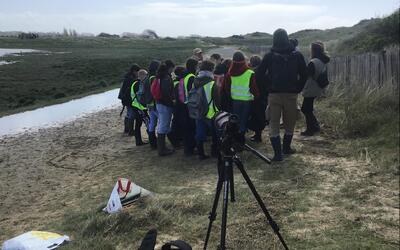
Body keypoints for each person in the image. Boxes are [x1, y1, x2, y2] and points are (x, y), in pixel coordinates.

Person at [256, 28, 307, 161]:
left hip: (274, 94)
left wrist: (267, 87)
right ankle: (286, 148)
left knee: (273, 124)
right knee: (290, 123)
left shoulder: (269, 56)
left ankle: (278, 154)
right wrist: (298, 88)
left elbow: (259, 74)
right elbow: (304, 74)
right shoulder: (297, 55)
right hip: (291, 94)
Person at [222, 51, 259, 142]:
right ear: (243, 60)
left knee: (235, 120)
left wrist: (230, 96)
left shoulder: (229, 73)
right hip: (247, 100)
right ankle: (241, 139)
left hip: (235, 100)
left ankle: (235, 138)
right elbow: (253, 88)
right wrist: (257, 96)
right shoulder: (250, 72)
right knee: (244, 119)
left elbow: (227, 88)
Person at [301, 41, 330, 136]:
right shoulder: (322, 61)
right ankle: (315, 127)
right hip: (317, 87)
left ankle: (311, 129)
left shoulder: (313, 62)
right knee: (307, 108)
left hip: (311, 88)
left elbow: (307, 75)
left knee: (306, 108)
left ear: (313, 50)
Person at [193, 60, 220, 160]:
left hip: (198, 111)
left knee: (199, 132)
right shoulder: (212, 83)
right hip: (211, 112)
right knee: (215, 133)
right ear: (211, 69)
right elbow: (217, 100)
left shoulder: (195, 80)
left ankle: (200, 153)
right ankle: (214, 152)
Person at [155, 60, 176, 156]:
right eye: (172, 68)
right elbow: (166, 92)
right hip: (165, 104)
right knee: (163, 125)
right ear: (169, 67)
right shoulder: (166, 77)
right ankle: (162, 149)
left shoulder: (159, 76)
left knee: (162, 124)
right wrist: (171, 103)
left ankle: (164, 147)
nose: (173, 70)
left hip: (159, 103)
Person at [180, 58, 198, 156]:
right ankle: (190, 149)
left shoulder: (183, 75)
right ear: (194, 66)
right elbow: (193, 92)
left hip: (184, 104)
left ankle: (187, 148)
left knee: (187, 127)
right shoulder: (191, 77)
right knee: (191, 127)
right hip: (190, 105)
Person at [248, 55, 267, 143]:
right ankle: (258, 134)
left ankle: (257, 135)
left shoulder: (253, 73)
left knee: (256, 116)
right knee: (261, 116)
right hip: (264, 96)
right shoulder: (265, 71)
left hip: (256, 97)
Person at [118, 64, 140, 135]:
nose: (138, 74)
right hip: (129, 100)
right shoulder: (131, 79)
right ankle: (130, 131)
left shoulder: (127, 77)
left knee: (128, 114)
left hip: (125, 99)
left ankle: (126, 129)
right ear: (134, 71)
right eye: (137, 72)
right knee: (131, 115)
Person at [169, 66, 186, 147]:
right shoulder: (179, 82)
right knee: (178, 123)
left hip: (175, 105)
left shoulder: (174, 81)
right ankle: (177, 140)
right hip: (179, 106)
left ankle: (176, 139)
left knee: (175, 121)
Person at [131, 69, 148, 146]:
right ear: (141, 75)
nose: (146, 77)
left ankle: (138, 141)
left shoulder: (134, 83)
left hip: (135, 106)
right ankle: (151, 138)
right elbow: (141, 96)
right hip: (139, 107)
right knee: (148, 121)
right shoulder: (139, 84)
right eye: (146, 75)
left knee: (138, 124)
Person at [146, 60, 161, 149]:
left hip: (149, 104)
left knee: (152, 123)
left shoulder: (147, 77)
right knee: (161, 123)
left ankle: (153, 143)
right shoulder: (153, 78)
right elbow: (155, 92)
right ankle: (159, 143)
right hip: (155, 103)